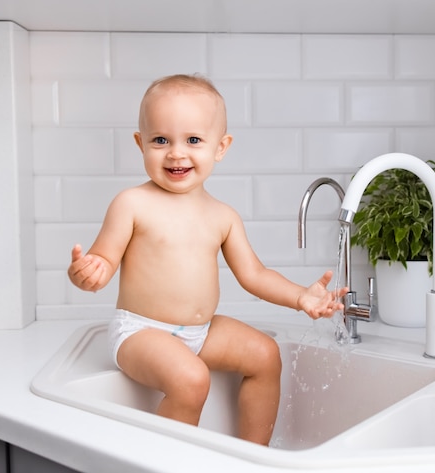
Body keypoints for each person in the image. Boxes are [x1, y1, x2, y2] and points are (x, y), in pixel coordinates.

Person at [67, 74, 347, 446]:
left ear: (221, 146)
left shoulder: (222, 216)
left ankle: (253, 455)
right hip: (140, 331)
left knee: (265, 354)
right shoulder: (132, 203)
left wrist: (301, 297)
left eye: (193, 140)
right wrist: (88, 273)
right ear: (140, 143)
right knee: (191, 378)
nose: (176, 153)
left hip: (201, 332)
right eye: (160, 140)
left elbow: (255, 275)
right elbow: (102, 260)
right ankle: (163, 462)